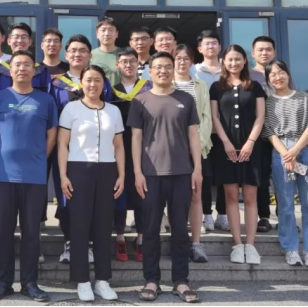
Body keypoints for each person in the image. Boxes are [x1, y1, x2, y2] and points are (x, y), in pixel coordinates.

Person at [0, 51, 58, 303]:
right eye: (17, 65)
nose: (22, 68)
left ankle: (29, 283)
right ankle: (3, 283)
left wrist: (38, 158)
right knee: (3, 232)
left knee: (31, 233)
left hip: (34, 177)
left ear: (35, 71)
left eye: (27, 65)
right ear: (10, 70)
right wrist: (1, 157)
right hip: (3, 176)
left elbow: (52, 135)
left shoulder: (45, 100)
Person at [129, 52, 202, 304]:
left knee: (180, 229)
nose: (163, 71)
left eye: (168, 66)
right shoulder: (140, 100)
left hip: (181, 172)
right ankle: (151, 280)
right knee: (150, 230)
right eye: (158, 67)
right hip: (150, 175)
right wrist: (137, 172)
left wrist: (197, 169)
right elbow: (136, 139)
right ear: (149, 72)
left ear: (174, 70)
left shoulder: (186, 99)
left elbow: (194, 136)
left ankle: (181, 281)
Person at [58, 65, 125, 302]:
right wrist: (63, 175)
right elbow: (62, 144)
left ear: (103, 83)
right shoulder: (71, 109)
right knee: (79, 226)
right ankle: (82, 281)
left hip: (107, 170)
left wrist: (121, 175)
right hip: (78, 170)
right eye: (88, 80)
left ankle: (103, 281)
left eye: (97, 80)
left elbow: (119, 146)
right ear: (81, 83)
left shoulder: (113, 111)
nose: (93, 84)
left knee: (103, 226)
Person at [50, 34, 113, 264]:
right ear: (66, 55)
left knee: (94, 199)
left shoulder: (101, 81)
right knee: (66, 196)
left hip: (94, 152)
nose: (77, 54)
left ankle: (90, 243)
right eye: (73, 51)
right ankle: (70, 242)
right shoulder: (55, 83)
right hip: (65, 149)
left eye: (83, 51)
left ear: (90, 55)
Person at [210, 45, 267, 266]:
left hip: (251, 148)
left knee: (250, 197)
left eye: (238, 59)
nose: (233, 63)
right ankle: (237, 244)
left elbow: (260, 117)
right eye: (230, 59)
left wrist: (250, 142)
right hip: (225, 148)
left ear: (245, 61)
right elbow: (215, 117)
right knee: (231, 196)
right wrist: (225, 142)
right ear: (223, 61)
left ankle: (250, 244)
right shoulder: (217, 87)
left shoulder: (255, 86)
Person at [263, 60, 308, 268]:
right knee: (286, 204)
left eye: (281, 72)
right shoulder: (268, 102)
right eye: (272, 74)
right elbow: (269, 132)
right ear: (268, 79)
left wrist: (294, 152)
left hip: (305, 150)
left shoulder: (304, 97)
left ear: (288, 74)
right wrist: (286, 155)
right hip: (281, 150)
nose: (277, 77)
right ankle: (290, 249)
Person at [111, 47, 152, 263]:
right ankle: (119, 236)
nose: (128, 65)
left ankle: (141, 238)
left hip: (145, 149)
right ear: (117, 65)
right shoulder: (110, 91)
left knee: (142, 193)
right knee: (118, 192)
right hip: (117, 148)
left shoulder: (149, 88)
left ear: (139, 65)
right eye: (124, 61)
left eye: (132, 61)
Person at [173, 44, 212, 264]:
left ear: (192, 61)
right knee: (174, 197)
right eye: (178, 58)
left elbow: (206, 117)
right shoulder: (165, 84)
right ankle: (177, 240)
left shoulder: (200, 85)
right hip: (171, 150)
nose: (182, 62)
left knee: (196, 195)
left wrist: (199, 143)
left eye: (186, 58)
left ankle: (196, 243)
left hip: (196, 148)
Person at [193, 29, 229, 233]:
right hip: (202, 132)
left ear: (220, 46)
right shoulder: (194, 70)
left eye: (214, 43)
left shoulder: (228, 68)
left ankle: (222, 214)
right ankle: (206, 213)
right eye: (206, 43)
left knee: (225, 174)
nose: (211, 46)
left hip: (226, 131)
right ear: (200, 48)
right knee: (204, 174)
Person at [251, 36, 278, 234]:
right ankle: (264, 216)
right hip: (258, 134)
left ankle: (284, 217)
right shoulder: (248, 76)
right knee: (260, 177)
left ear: (274, 52)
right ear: (253, 53)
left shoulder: (280, 73)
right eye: (260, 49)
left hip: (281, 133)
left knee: (282, 176)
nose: (264, 53)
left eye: (268, 49)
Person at [0, 23, 51, 96]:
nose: (20, 40)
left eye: (24, 37)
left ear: (30, 41)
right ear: (9, 41)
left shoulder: (41, 71)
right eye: (16, 37)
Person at [90, 17, 121, 86]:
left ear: (116, 34)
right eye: (103, 30)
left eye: (111, 30)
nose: (107, 34)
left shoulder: (124, 54)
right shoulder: (90, 55)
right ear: (97, 34)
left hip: (120, 92)